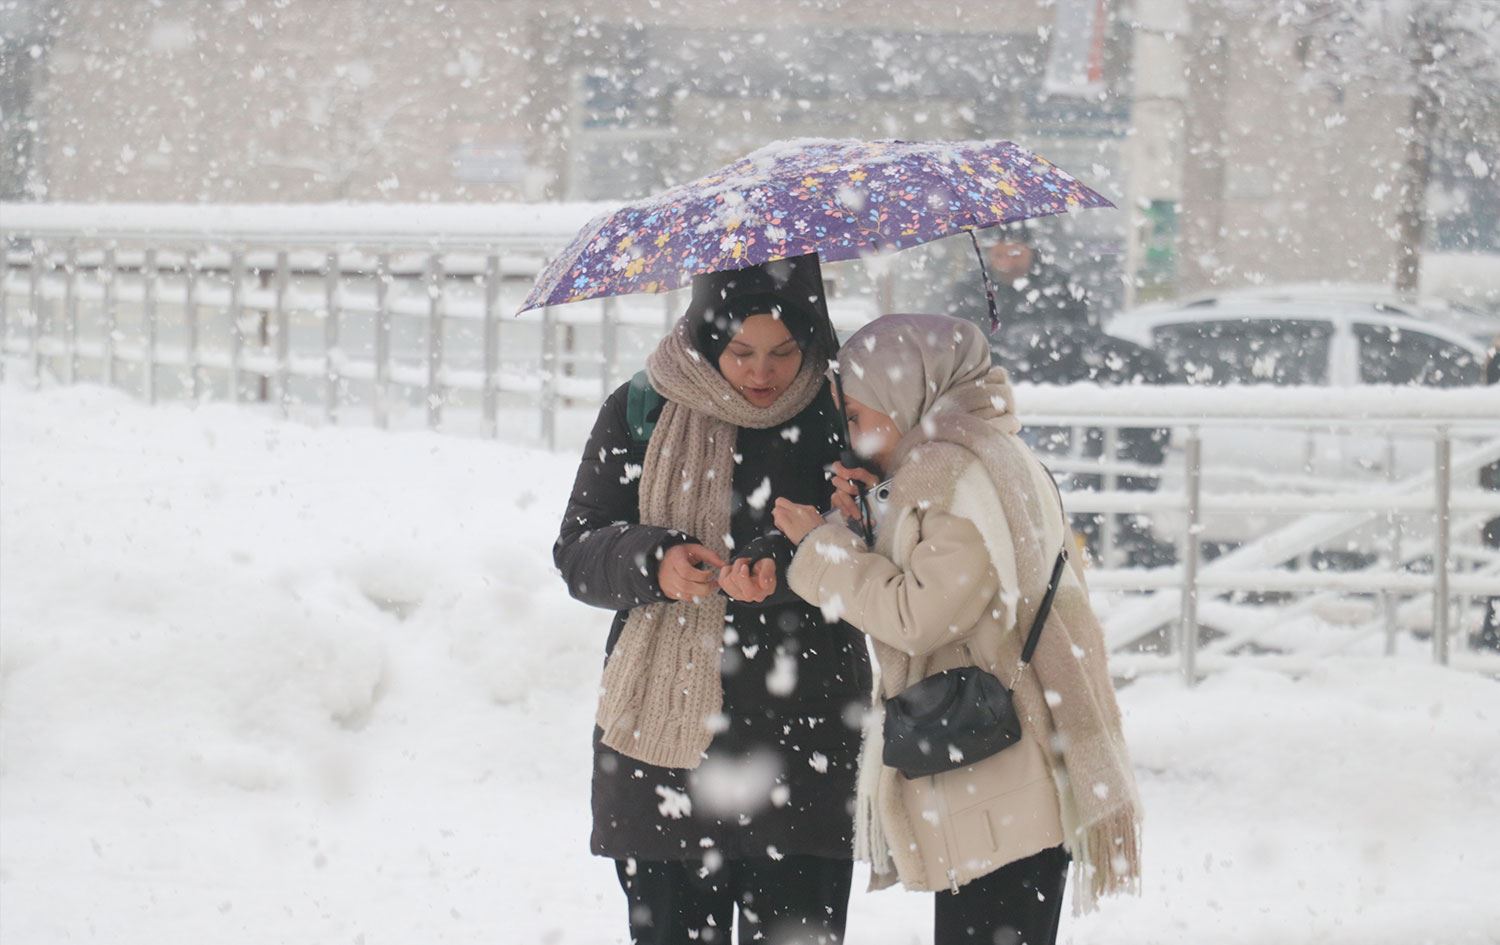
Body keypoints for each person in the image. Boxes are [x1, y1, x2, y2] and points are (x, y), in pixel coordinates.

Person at [770, 313, 1143, 945]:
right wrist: (876, 515)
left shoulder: (954, 476)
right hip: (1014, 764)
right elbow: (961, 589)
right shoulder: (984, 457)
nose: (853, 436)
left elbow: (917, 617)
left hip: (1001, 774)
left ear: (905, 397)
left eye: (860, 416)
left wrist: (821, 548)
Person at [553, 253, 871, 945]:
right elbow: (578, 549)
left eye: (785, 352)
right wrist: (656, 560)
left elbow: (880, 545)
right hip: (666, 753)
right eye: (742, 351)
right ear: (704, 336)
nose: (764, 373)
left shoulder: (845, 410)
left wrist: (796, 556)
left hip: (807, 738)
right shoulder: (642, 408)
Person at [942, 228, 1090, 328]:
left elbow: (1082, 332)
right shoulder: (970, 288)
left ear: (1031, 251)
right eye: (999, 256)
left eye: (1015, 254)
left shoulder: (1060, 284)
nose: (1008, 264)